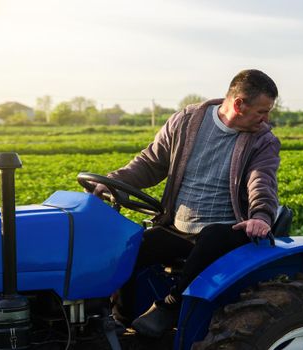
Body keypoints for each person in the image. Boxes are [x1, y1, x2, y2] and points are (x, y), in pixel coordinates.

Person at [92, 69, 280, 337]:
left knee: (213, 237)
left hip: (228, 230)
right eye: (262, 111)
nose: (266, 118)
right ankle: (120, 323)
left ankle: (171, 306)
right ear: (239, 104)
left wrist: (261, 215)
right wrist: (113, 181)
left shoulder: (262, 140)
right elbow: (151, 162)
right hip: (179, 227)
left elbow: (261, 180)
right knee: (132, 247)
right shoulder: (187, 121)